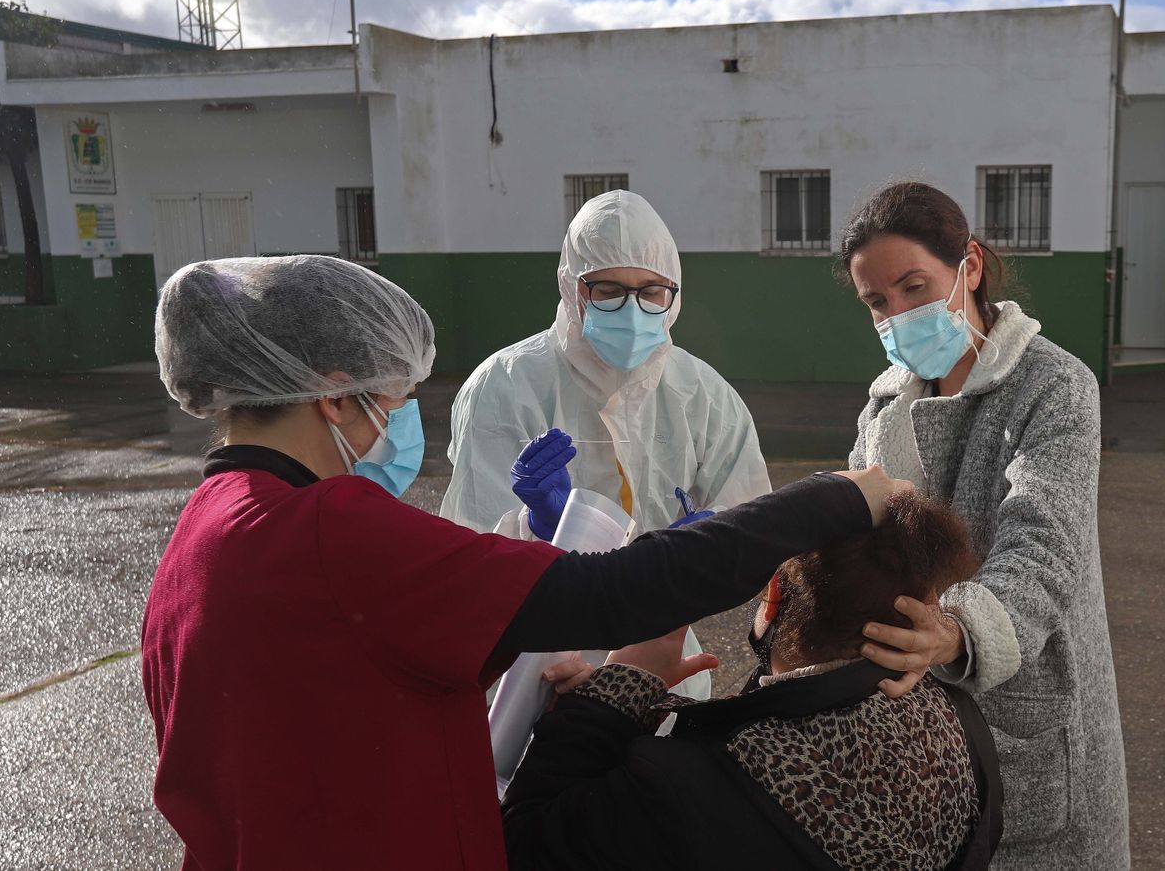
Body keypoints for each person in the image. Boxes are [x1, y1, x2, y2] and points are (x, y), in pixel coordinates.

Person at [141, 254, 907, 871]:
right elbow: (616, 591)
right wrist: (831, 499)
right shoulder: (327, 529)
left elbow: (337, 694)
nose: (402, 423)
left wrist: (544, 689)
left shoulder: (205, 531)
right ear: (338, 397)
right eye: (397, 399)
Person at [837, 182, 1129, 869]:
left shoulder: (1054, 385)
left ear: (968, 265)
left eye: (915, 286)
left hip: (1028, 729)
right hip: (917, 741)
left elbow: (1043, 544)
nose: (899, 314)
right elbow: (847, 531)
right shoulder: (882, 411)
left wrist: (958, 629)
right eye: (878, 302)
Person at [502, 492, 1003, 871]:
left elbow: (523, 844)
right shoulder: (960, 721)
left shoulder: (681, 788)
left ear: (773, 594)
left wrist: (612, 696)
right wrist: (658, 716)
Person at [442, 189, 769, 699]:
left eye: (651, 291)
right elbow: (470, 549)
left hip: (660, 661)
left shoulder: (703, 395)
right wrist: (539, 529)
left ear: (674, 295)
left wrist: (706, 549)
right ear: (572, 288)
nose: (632, 309)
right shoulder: (507, 386)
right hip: (538, 659)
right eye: (608, 290)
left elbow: (752, 525)